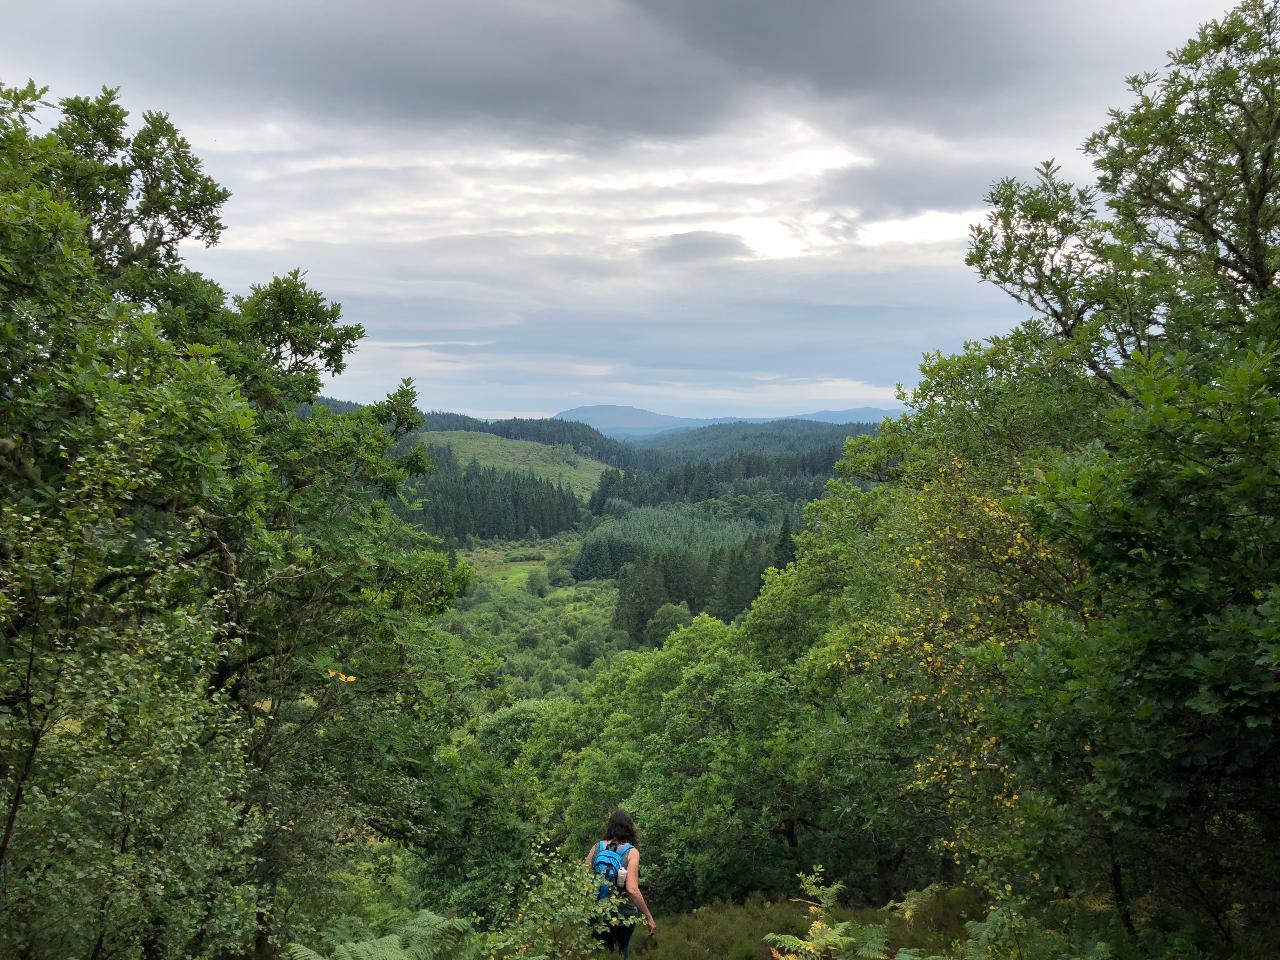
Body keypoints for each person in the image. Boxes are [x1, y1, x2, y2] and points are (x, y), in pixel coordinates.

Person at [585, 810, 657, 957]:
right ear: (629, 829)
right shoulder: (632, 852)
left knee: (600, 953)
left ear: (610, 827)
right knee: (622, 952)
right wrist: (648, 916)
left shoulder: (596, 848)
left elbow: (582, 880)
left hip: (597, 912)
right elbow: (632, 889)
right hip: (623, 915)